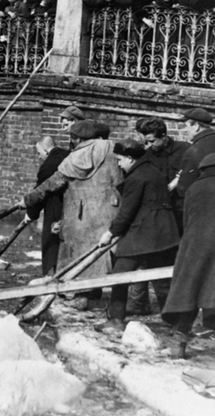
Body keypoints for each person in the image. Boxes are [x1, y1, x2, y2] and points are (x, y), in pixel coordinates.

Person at [21, 120, 123, 311]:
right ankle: (95, 292)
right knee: (102, 251)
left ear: (77, 138)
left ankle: (82, 296)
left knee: (81, 251)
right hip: (111, 209)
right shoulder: (113, 148)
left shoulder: (77, 156)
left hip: (83, 213)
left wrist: (28, 200)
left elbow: (53, 183)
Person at [162, 153, 215, 363]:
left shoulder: (192, 188)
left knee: (190, 292)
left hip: (194, 246)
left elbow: (187, 220)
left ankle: (179, 344)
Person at [97, 138, 180, 332]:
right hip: (164, 235)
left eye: (120, 160)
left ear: (130, 158)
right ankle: (173, 321)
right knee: (162, 280)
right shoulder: (154, 172)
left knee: (119, 276)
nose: (118, 164)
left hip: (142, 233)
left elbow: (127, 211)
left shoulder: (136, 177)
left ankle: (116, 320)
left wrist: (110, 233)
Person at [24, 136, 70, 276]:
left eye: (39, 153)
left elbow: (41, 191)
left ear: (45, 150)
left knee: (51, 241)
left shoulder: (49, 165)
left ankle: (51, 274)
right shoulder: (67, 155)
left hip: (56, 205)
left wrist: (31, 213)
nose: (39, 157)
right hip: (71, 206)